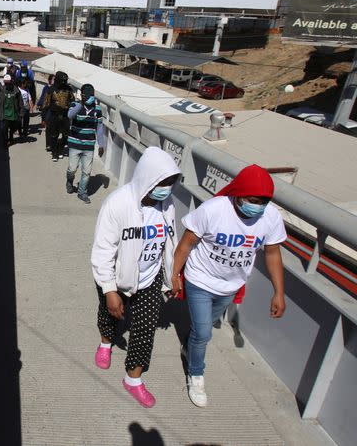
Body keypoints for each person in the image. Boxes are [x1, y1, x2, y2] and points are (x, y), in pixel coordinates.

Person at [171, 164, 287, 408]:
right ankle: (196, 374)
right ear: (238, 194)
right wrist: (174, 275)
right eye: (253, 200)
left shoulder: (271, 217)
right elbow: (185, 245)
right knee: (204, 332)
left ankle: (190, 346)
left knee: (199, 331)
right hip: (200, 279)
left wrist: (279, 292)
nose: (258, 206)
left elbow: (273, 254)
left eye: (263, 202)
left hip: (230, 286)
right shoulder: (213, 210)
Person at [91, 147, 182, 408]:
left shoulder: (167, 204)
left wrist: (172, 274)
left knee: (144, 330)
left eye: (170, 183)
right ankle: (105, 342)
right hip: (118, 279)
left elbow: (171, 240)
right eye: (161, 183)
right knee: (110, 314)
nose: (166, 189)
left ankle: (133, 379)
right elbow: (102, 250)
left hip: (150, 279)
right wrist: (109, 290)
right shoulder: (117, 204)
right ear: (147, 178)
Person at [66, 84, 105, 204]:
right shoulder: (75, 105)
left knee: (87, 171)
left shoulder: (97, 109)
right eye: (89, 95)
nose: (91, 97)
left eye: (93, 94)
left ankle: (82, 192)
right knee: (72, 169)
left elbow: (99, 127)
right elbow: (70, 115)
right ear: (83, 95)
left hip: (89, 145)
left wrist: (101, 144)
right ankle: (69, 181)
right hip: (74, 143)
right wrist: (81, 104)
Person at [43, 71, 73, 162]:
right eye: (62, 80)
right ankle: (55, 153)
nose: (64, 82)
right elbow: (46, 103)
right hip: (54, 116)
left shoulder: (69, 89)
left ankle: (60, 149)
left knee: (66, 136)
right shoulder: (51, 89)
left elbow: (72, 101)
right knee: (53, 136)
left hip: (65, 116)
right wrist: (43, 117)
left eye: (65, 81)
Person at [0, 74, 23, 146]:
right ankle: (5, 142)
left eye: (8, 82)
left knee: (12, 129)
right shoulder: (1, 90)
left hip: (14, 114)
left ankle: (11, 138)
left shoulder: (16, 90)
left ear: (11, 81)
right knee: (4, 130)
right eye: (5, 82)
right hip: (4, 114)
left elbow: (20, 102)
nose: (7, 84)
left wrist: (21, 112)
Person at [37, 74, 55, 152]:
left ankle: (52, 144)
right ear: (50, 80)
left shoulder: (57, 89)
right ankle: (49, 145)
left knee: (53, 129)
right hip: (47, 111)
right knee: (49, 129)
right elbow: (43, 97)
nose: (55, 81)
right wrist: (39, 104)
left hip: (55, 112)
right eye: (54, 79)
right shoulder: (46, 88)